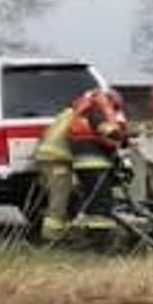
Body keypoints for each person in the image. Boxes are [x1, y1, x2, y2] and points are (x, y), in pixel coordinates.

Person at [33, 86, 129, 240]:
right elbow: (106, 129)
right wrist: (124, 136)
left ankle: (64, 231)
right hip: (57, 158)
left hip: (51, 156)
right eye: (115, 107)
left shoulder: (73, 111)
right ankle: (52, 236)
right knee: (59, 199)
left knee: (70, 196)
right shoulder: (93, 109)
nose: (114, 111)